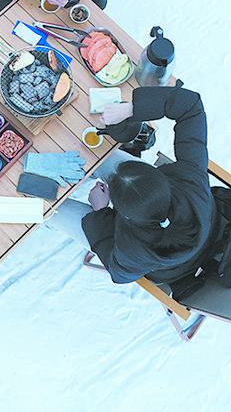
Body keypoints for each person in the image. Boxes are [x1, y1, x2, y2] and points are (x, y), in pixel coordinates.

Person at [46, 86, 214, 285]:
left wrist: (100, 212)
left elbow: (119, 274)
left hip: (129, 245)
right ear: (159, 179)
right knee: (100, 157)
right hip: (201, 219)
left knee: (44, 208)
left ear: (122, 213)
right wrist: (132, 109)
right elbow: (190, 106)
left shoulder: (134, 252)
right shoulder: (191, 179)